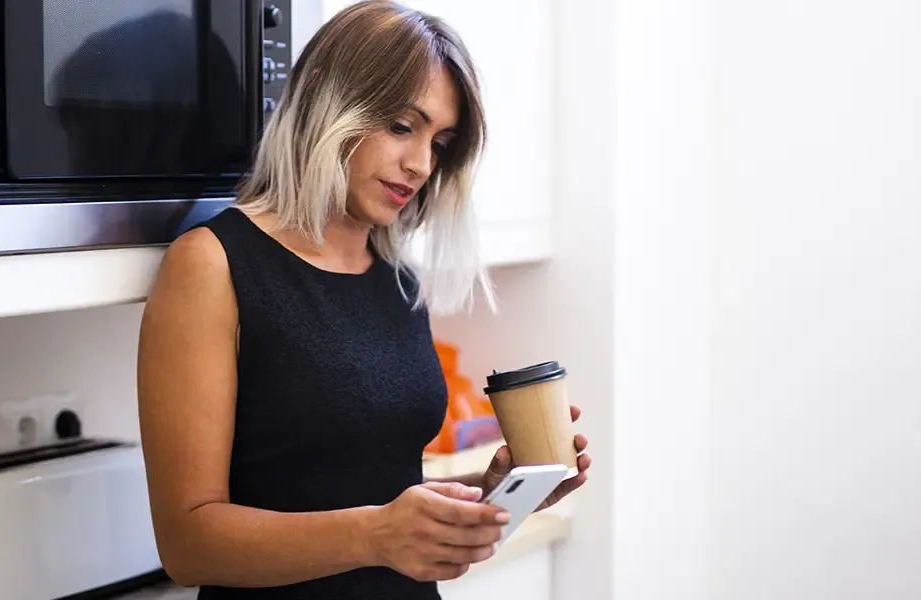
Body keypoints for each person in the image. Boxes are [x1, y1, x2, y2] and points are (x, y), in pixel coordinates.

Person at [136, 2, 592, 598]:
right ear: (329, 106)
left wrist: (489, 494)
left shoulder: (398, 278)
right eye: (401, 126)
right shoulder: (211, 264)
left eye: (439, 142)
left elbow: (377, 489)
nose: (421, 164)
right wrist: (375, 535)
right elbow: (187, 546)